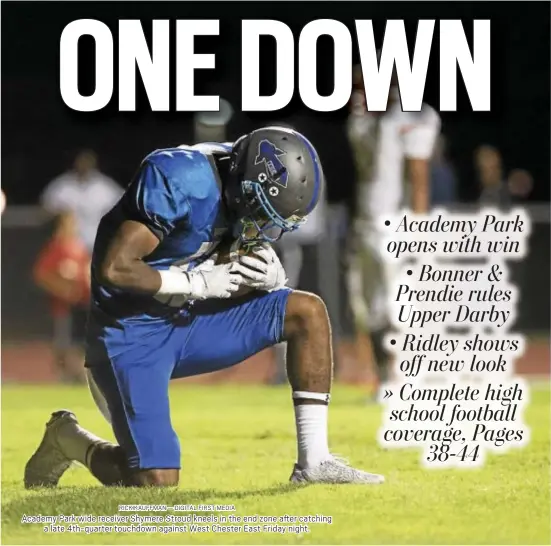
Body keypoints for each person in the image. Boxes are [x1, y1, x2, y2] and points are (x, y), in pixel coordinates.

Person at [25, 127, 384, 488]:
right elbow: (116, 267)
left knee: (307, 312)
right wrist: (194, 283)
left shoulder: (245, 175)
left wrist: (266, 271)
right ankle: (69, 438)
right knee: (156, 480)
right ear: (243, 188)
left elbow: (225, 256)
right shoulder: (180, 178)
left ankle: (315, 460)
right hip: (132, 330)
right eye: (262, 214)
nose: (264, 227)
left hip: (190, 319)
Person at [346, 63, 441, 399]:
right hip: (365, 224)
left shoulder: (412, 116)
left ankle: (410, 378)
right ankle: (386, 379)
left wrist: (418, 227)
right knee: (366, 308)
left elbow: (418, 177)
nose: (357, 93)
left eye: (362, 84)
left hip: (395, 226)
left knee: (397, 306)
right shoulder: (361, 120)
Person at [33, 211, 91, 383]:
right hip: (63, 306)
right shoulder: (56, 247)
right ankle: (64, 375)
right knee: (63, 341)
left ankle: (76, 374)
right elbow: (42, 275)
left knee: (79, 341)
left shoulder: (78, 247)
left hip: (82, 304)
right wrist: (62, 288)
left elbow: (85, 272)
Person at [40, 149, 123, 253]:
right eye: (81, 162)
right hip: (69, 245)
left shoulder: (105, 187)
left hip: (97, 244)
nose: (84, 165)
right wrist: (60, 215)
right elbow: (44, 211)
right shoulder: (62, 186)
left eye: (87, 162)